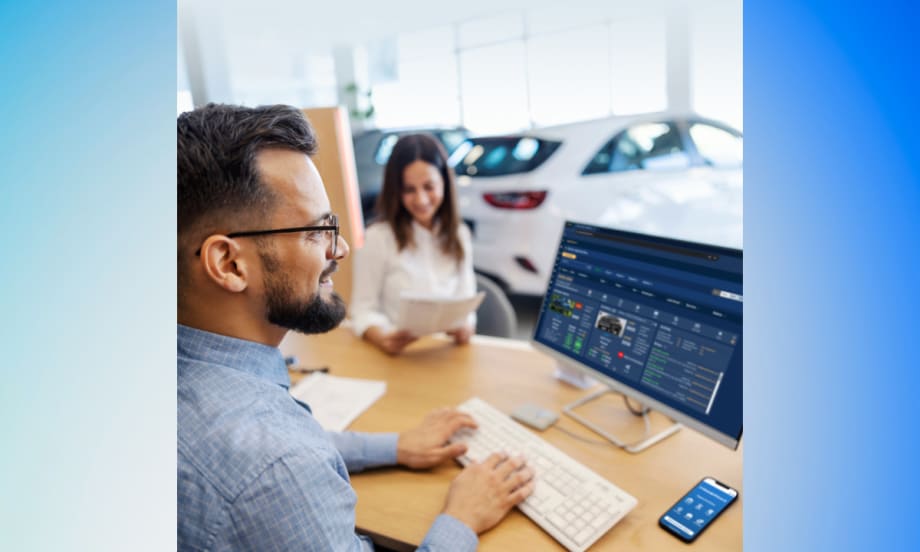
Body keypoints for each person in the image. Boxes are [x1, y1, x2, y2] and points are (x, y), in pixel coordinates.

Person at [177, 104, 534, 551]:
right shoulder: (278, 467)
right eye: (316, 231)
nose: (340, 248)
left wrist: (397, 446)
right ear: (229, 264)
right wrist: (462, 517)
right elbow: (280, 464)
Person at [350, 134, 476, 355]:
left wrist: (466, 326)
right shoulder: (378, 238)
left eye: (429, 187)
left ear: (444, 183)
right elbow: (361, 310)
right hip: (397, 354)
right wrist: (381, 336)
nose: (421, 200)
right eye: (409, 190)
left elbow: (467, 302)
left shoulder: (460, 234)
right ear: (396, 191)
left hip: (445, 354)